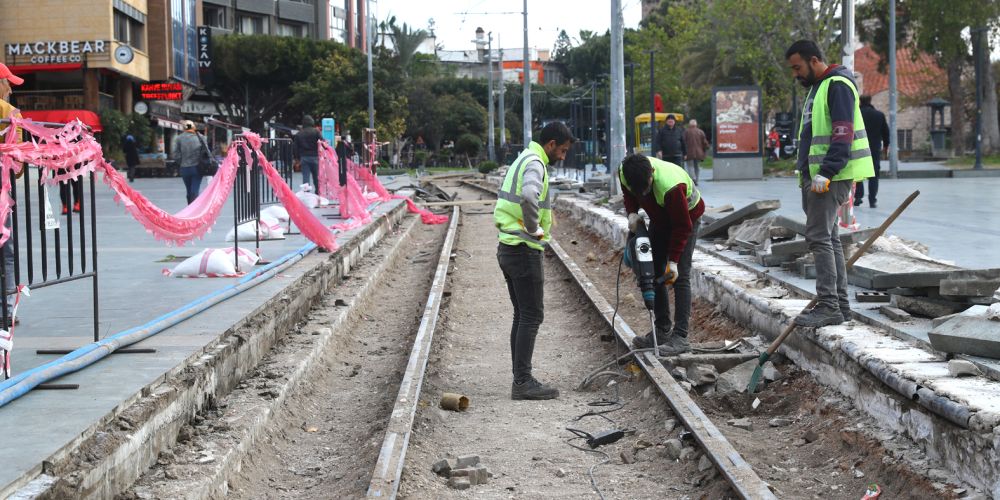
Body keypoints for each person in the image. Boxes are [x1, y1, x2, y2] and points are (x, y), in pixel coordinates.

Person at [786, 40, 874, 328]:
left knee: (819, 238)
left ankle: (829, 306)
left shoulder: (836, 85)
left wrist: (827, 171)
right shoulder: (819, 88)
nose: (795, 74)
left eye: (798, 67)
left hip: (829, 177)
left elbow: (842, 132)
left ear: (814, 60)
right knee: (829, 238)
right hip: (818, 176)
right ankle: (840, 305)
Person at [494, 121, 574, 400]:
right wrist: (534, 229)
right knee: (531, 316)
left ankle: (520, 378)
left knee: (522, 315)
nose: (562, 156)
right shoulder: (536, 163)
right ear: (550, 144)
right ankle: (523, 382)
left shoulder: (524, 158)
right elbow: (529, 196)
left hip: (508, 246)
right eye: (562, 150)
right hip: (523, 249)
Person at [620, 154, 705, 355]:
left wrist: (673, 261)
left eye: (647, 187)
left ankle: (681, 337)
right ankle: (662, 329)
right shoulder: (625, 173)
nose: (645, 192)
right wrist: (632, 212)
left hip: (687, 219)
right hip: (660, 218)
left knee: (680, 276)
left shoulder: (671, 187)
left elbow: (682, 227)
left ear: (652, 174)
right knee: (652, 269)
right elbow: (628, 194)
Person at [0, 63, 23, 327]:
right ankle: (5, 309)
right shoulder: (9, 112)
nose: (11, 90)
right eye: (9, 84)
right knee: (5, 249)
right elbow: (16, 165)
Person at [854, 95, 889, 208]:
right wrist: (886, 147)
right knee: (874, 174)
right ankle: (872, 200)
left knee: (858, 172)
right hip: (874, 148)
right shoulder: (879, 115)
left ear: (860, 101)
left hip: (858, 147)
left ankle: (858, 197)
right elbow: (885, 133)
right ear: (870, 101)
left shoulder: (856, 114)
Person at [171, 120, 206, 204]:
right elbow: (205, 152)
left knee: (188, 189)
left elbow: (175, 154)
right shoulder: (201, 137)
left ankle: (189, 207)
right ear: (193, 127)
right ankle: (194, 208)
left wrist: (181, 162)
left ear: (184, 127)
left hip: (184, 168)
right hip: (197, 168)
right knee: (195, 189)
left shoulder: (179, 138)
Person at [293, 115, 321, 192]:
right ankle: (318, 191)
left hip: (304, 157)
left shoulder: (299, 134)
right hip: (315, 157)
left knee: (305, 177)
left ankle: (306, 193)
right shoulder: (316, 132)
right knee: (316, 176)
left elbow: (295, 147)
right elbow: (322, 142)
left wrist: (297, 158)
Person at [682, 119, 709, 184]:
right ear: (696, 124)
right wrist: (706, 148)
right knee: (697, 166)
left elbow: (683, 141)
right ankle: (696, 179)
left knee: (690, 166)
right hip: (699, 153)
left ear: (689, 124)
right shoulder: (701, 132)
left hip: (689, 153)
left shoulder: (686, 132)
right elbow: (705, 142)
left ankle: (693, 178)